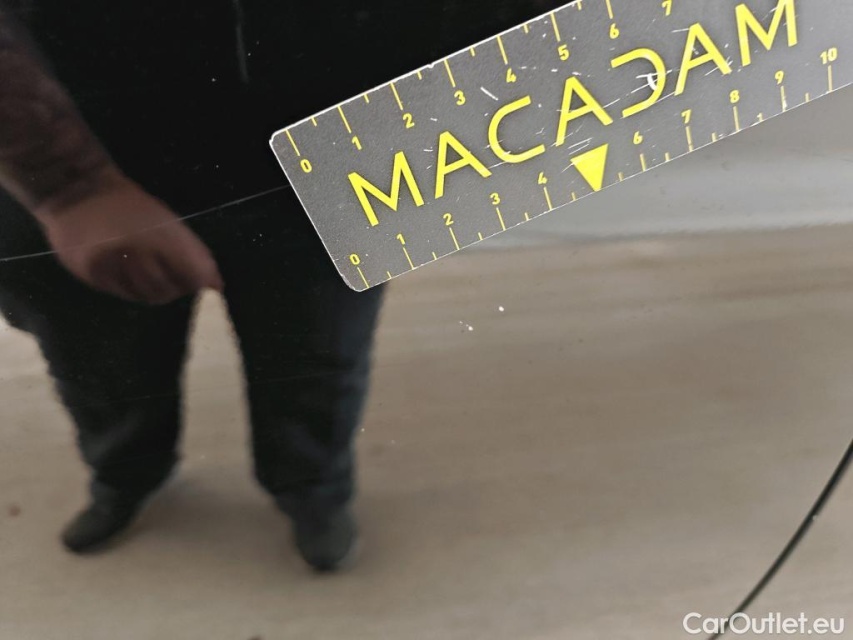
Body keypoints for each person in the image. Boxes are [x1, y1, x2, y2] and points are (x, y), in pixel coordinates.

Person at [0, 0, 559, 571]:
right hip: (77, 123)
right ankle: (126, 477)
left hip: (338, 144)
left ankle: (313, 493)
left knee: (317, 358)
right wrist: (70, 185)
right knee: (102, 363)